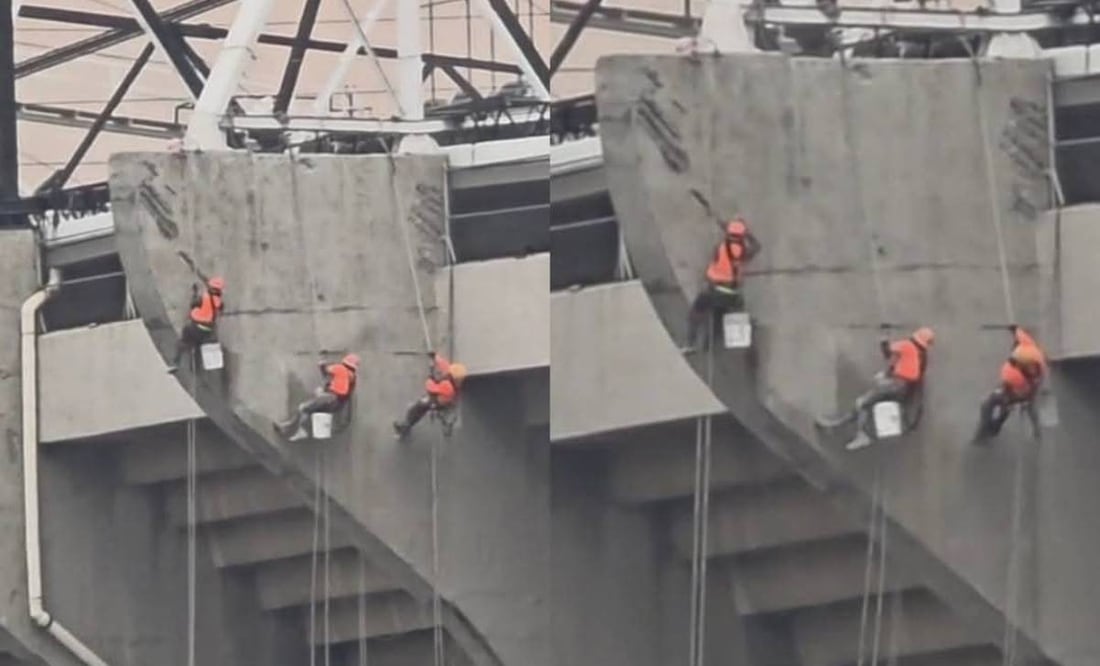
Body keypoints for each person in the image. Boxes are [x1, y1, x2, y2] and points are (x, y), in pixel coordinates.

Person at [818, 326, 935, 450]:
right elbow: (910, 372)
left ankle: (861, 435)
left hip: (894, 385)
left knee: (862, 403)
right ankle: (840, 424)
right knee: (865, 405)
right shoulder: (922, 357)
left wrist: (884, 339)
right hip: (902, 390)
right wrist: (888, 376)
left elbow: (887, 352)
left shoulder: (907, 346)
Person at [684, 217, 762, 352]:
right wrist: (747, 234)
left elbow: (725, 245)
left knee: (696, 312)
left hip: (713, 289)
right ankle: (709, 343)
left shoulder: (720, 248)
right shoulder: (743, 252)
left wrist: (726, 227)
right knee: (720, 316)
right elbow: (756, 246)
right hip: (731, 294)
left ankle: (690, 344)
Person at [974, 326, 1046, 442]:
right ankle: (1036, 431)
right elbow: (1022, 336)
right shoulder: (1029, 347)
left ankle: (988, 430)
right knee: (1000, 405)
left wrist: (1012, 397)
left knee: (993, 404)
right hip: (1013, 387)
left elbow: (1020, 394)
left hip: (1014, 390)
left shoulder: (1019, 377)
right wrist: (1015, 330)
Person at [275, 354, 360, 441]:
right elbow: (341, 390)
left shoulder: (340, 368)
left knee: (303, 407)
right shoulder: (352, 377)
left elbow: (325, 370)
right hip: (337, 406)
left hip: (330, 398)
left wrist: (322, 363)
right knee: (308, 411)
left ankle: (294, 429)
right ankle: (294, 429)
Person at [393, 352, 467, 439]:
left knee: (418, 408)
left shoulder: (448, 387)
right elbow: (444, 365)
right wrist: (435, 356)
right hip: (439, 395)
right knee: (418, 408)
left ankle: (406, 426)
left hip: (437, 401)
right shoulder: (453, 378)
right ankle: (407, 424)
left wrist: (430, 379)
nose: (448, 371)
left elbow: (431, 388)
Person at [167, 276, 225, 373]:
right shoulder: (218, 301)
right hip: (208, 330)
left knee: (182, 342)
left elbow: (193, 304)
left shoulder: (204, 297)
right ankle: (197, 363)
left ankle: (175, 363)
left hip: (195, 327)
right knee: (200, 342)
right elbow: (220, 308)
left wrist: (194, 293)